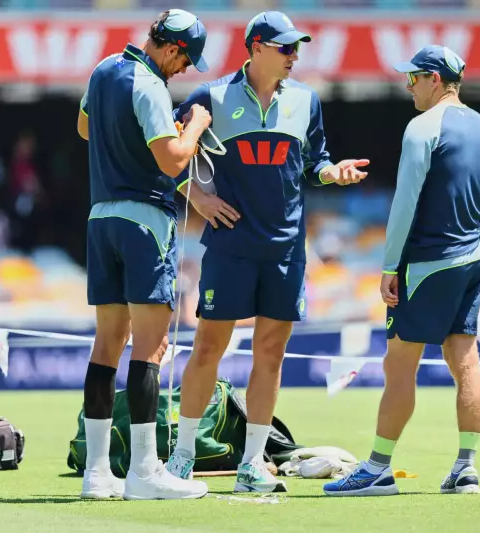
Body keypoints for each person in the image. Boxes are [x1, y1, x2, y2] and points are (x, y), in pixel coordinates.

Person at [163, 11, 370, 493]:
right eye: (285, 48)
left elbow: (314, 164)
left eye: (297, 48)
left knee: (271, 354)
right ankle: (183, 456)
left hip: (287, 249)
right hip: (230, 247)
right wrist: (197, 197)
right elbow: (164, 153)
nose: (295, 56)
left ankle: (252, 464)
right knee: (207, 350)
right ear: (255, 47)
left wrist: (332, 172)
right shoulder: (209, 96)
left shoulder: (306, 100)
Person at [323, 45, 480, 497]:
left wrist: (389, 267)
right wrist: (478, 232)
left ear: (435, 78)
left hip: (429, 264)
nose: (408, 85)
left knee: (399, 366)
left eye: (413, 77)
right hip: (472, 260)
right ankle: (465, 468)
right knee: (465, 359)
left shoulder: (422, 127)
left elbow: (404, 204)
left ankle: (377, 469)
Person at [76, 9, 236, 501]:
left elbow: (85, 128)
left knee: (106, 346)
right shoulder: (149, 85)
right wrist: (193, 125)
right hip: (144, 222)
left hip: (100, 217)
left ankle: (97, 473)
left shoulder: (103, 69)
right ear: (170, 48)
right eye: (186, 59)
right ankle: (145, 472)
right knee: (151, 348)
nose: (186, 69)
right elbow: (172, 159)